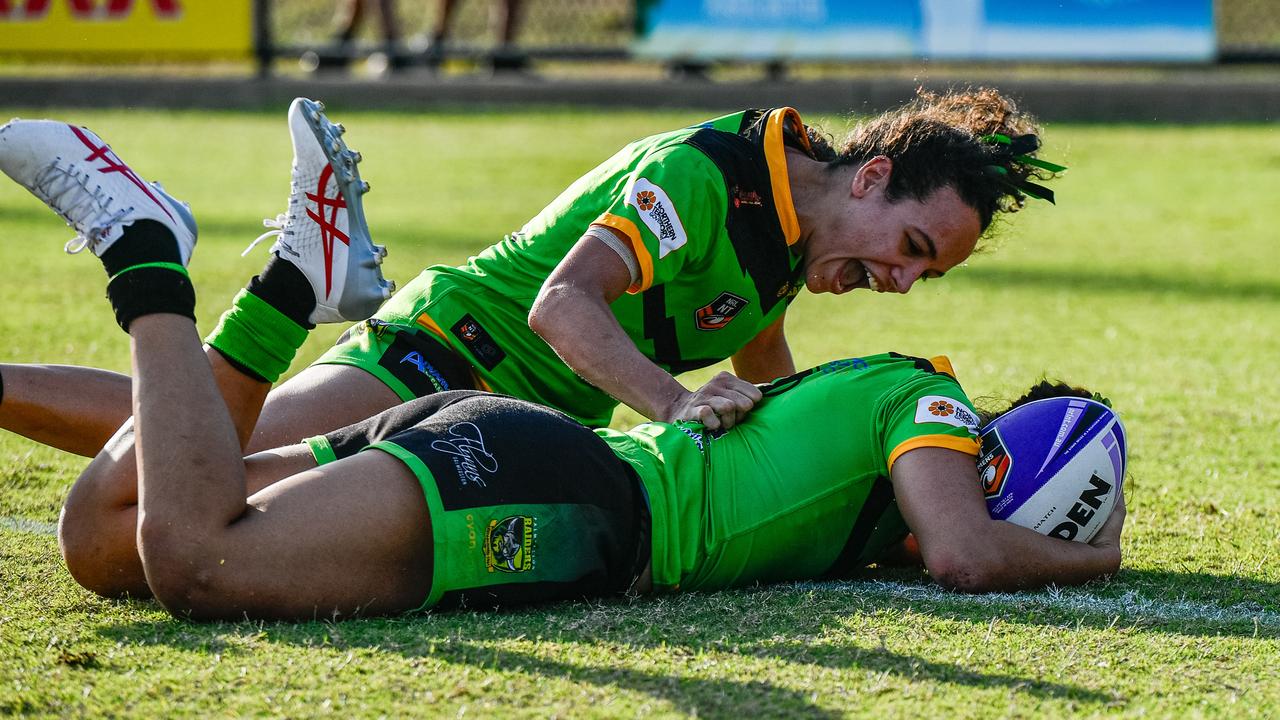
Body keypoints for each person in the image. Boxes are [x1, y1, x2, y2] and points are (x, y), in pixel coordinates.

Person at [0, 112, 1121, 621]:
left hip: (516, 426)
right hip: (467, 344)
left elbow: (768, 393)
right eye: (911, 251)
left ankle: (300, 270)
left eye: (926, 280)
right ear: (870, 179)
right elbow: (561, 304)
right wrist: (676, 403)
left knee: (185, 474)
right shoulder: (716, 175)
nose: (900, 283)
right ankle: (288, 272)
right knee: (208, 460)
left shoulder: (786, 249)